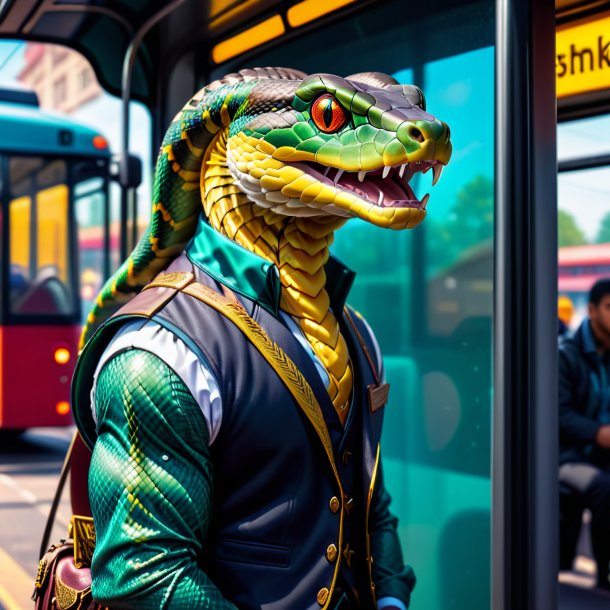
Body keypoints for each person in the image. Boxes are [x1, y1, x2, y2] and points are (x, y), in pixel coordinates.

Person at [72, 67, 451, 609]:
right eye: (328, 117)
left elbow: (367, 501)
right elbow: (143, 575)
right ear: (232, 141)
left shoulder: (357, 337)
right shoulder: (158, 354)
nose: (422, 133)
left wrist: (390, 598)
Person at [559, 278, 610, 589]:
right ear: (591, 310)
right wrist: (598, 433)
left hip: (601, 452)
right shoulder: (566, 354)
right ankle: (604, 575)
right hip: (567, 455)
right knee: (604, 487)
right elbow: (558, 416)